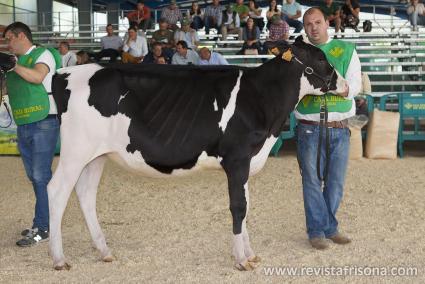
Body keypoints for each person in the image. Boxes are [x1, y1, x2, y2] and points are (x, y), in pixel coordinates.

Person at [295, 8, 361, 250]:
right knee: (311, 181)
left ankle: (330, 228)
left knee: (335, 182)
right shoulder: (299, 53)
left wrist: (331, 86)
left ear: (327, 23)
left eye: (318, 22)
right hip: (309, 127)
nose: (314, 27)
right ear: (304, 27)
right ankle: (316, 231)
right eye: (308, 24)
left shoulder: (345, 50)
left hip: (340, 127)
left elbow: (354, 85)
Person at [3, 22, 61, 247]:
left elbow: (37, 77)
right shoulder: (13, 64)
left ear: (20, 36)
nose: (8, 44)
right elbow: (9, 88)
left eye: (9, 39)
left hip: (44, 120)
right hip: (25, 121)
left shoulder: (42, 54)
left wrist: (13, 65)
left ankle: (44, 226)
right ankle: (45, 221)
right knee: (36, 176)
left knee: (40, 176)